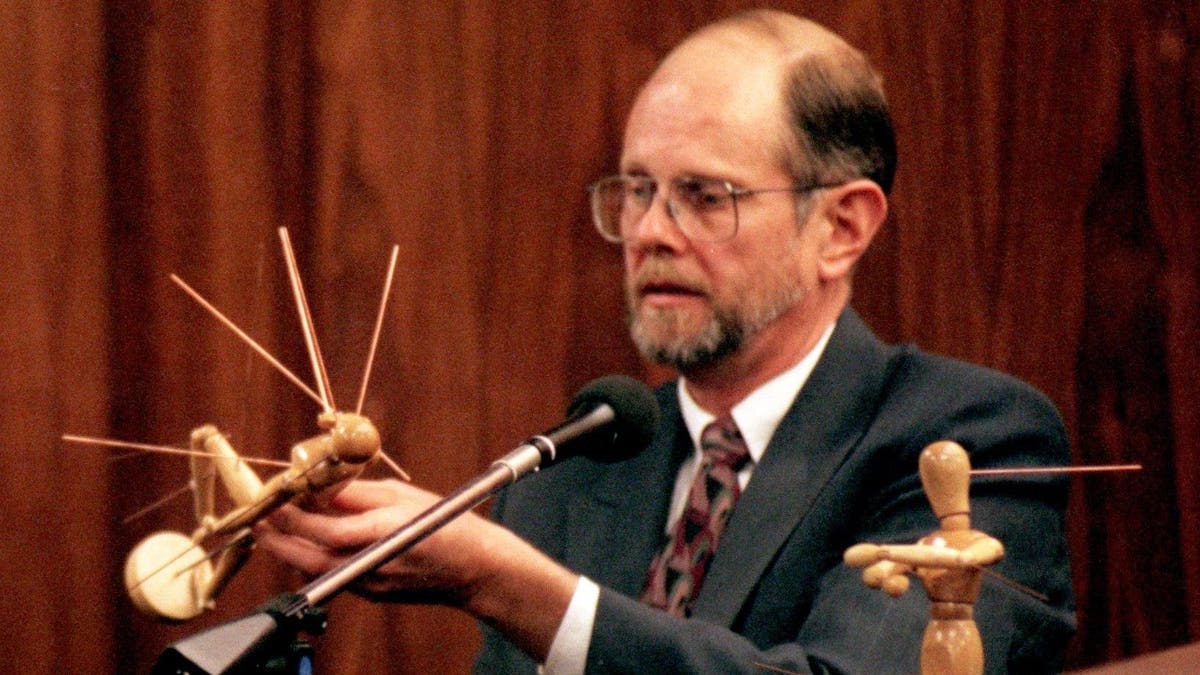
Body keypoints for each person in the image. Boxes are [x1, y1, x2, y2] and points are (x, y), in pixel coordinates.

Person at [255, 9, 1075, 673]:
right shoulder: (563, 477)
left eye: (703, 195)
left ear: (840, 227)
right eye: (638, 190)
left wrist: (512, 584)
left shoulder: (964, 445)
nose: (649, 232)